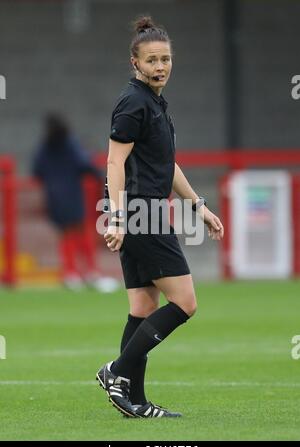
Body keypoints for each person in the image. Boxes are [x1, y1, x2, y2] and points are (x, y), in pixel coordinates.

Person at [96, 16, 224, 418]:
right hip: (140, 213)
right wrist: (117, 217)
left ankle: (133, 401)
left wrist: (198, 205)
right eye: (151, 60)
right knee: (185, 303)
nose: (160, 66)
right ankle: (116, 373)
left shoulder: (153, 103)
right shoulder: (134, 102)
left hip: (142, 211)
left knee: (143, 306)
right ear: (135, 63)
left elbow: (165, 165)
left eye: (165, 59)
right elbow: (114, 162)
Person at [32, 113, 119, 292]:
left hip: (54, 196)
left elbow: (36, 171)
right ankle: (91, 273)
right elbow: (85, 164)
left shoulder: (44, 147)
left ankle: (71, 274)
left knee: (65, 235)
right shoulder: (70, 144)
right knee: (82, 233)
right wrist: (102, 177)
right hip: (72, 194)